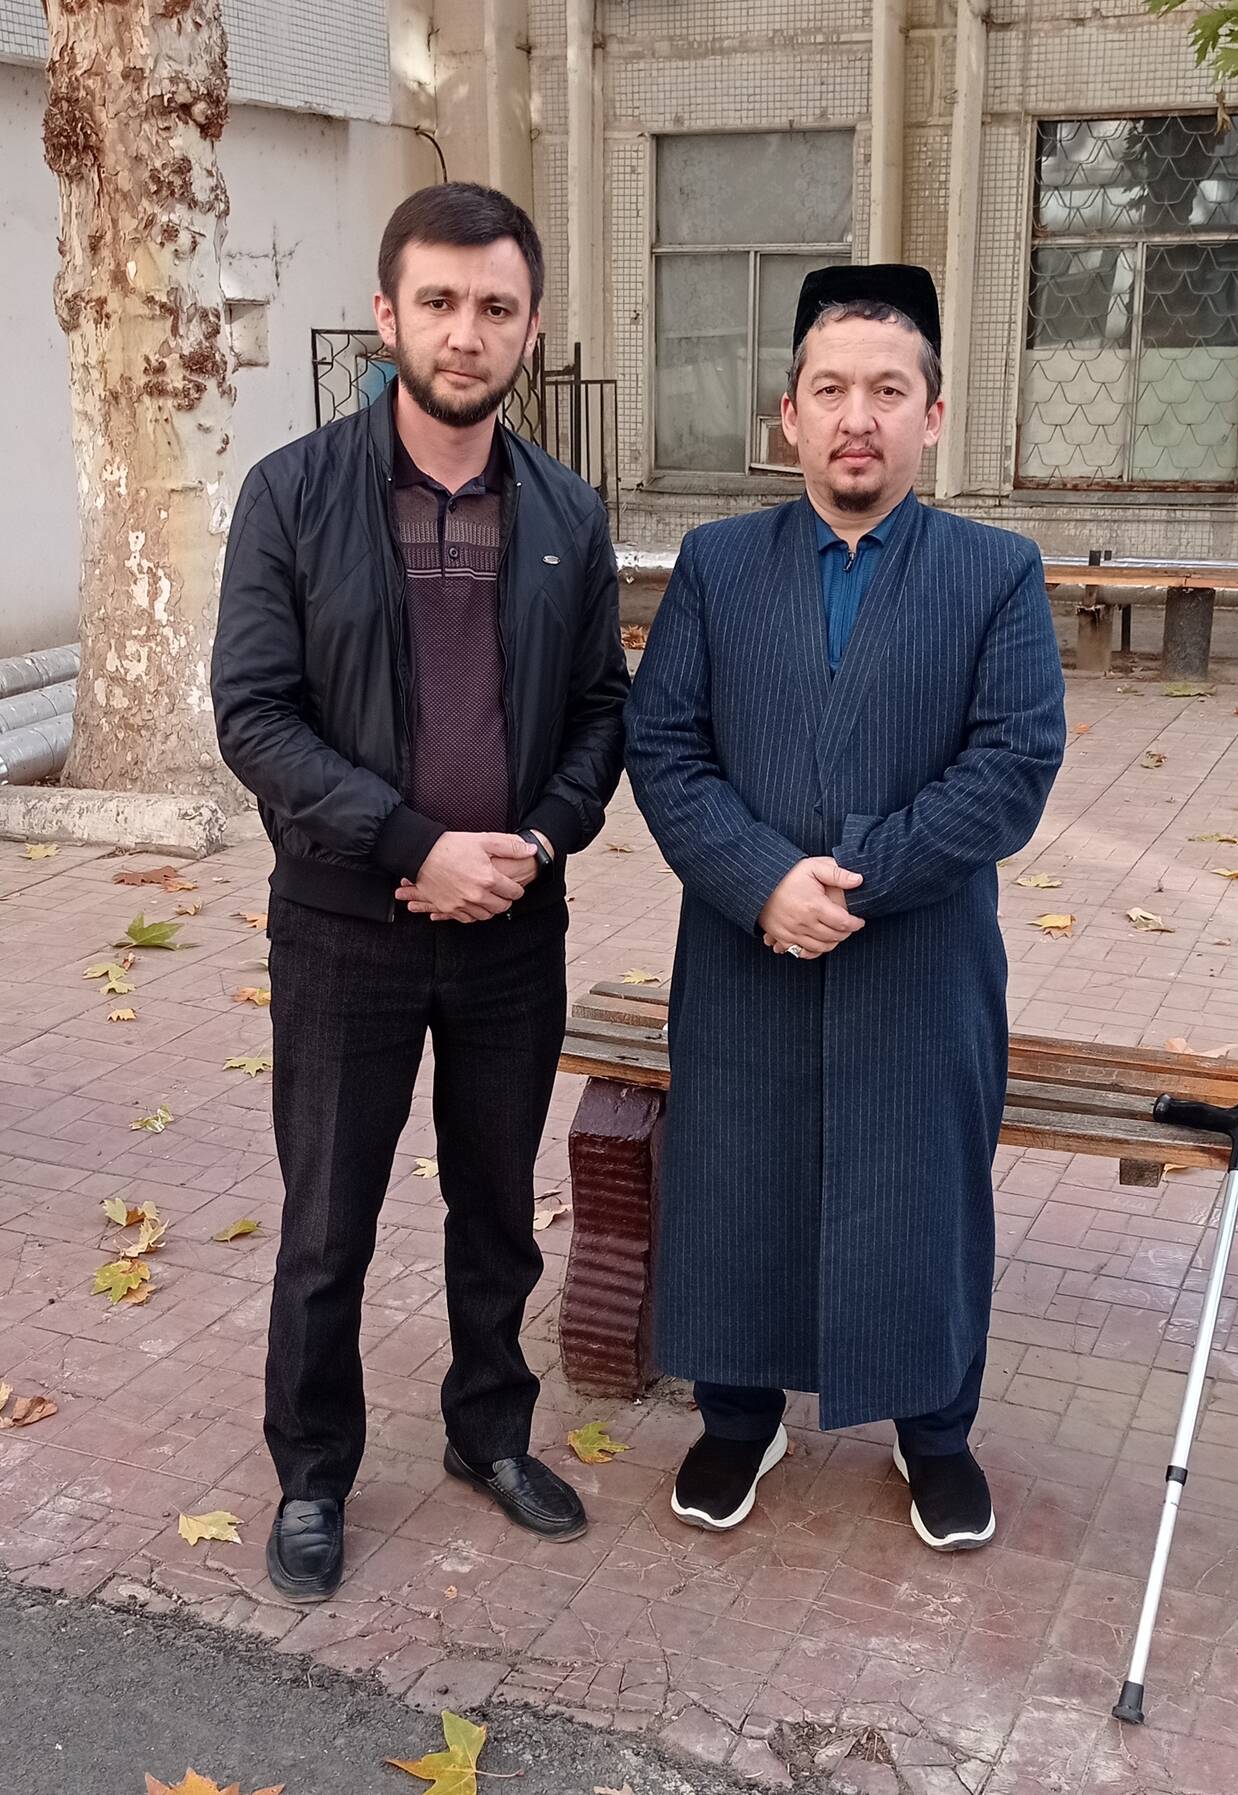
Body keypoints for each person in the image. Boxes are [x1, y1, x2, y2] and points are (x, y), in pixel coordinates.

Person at [212, 182, 629, 1601]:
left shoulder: (566, 511)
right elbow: (256, 716)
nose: (466, 332)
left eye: (495, 307)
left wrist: (537, 845)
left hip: (514, 929)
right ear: (387, 316)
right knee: (329, 1217)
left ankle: (488, 1432)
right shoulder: (293, 494)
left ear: (531, 328)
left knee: (497, 1205)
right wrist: (411, 846)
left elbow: (601, 712)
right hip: (347, 929)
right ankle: (313, 1473)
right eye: (439, 302)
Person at [625, 264, 1066, 1553]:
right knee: (738, 1176)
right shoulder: (718, 565)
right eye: (829, 390)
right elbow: (665, 747)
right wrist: (763, 880)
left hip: (921, 955)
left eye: (887, 390)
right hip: (745, 943)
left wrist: (856, 876)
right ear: (790, 415)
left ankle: (935, 1432)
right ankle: (738, 1413)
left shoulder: (995, 572)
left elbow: (1012, 765)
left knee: (920, 1190)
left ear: (934, 415)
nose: (856, 417)